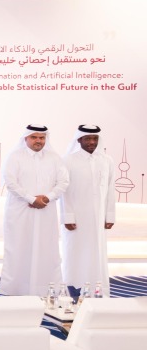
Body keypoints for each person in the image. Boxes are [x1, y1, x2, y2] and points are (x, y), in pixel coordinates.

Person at [0, 125, 69, 297]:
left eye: (42, 138)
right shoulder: (15, 157)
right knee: (18, 248)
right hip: (20, 212)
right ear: (26, 138)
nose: (38, 141)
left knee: (46, 249)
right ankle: (16, 290)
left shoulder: (54, 158)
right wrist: (31, 199)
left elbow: (63, 182)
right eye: (34, 137)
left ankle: (45, 289)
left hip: (46, 210)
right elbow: (10, 182)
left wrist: (46, 198)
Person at [60, 125, 116, 293]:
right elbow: (65, 192)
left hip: (98, 216)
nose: (92, 142)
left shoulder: (107, 160)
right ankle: (73, 288)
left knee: (97, 251)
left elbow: (110, 188)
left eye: (95, 139)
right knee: (75, 250)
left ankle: (98, 288)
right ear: (79, 140)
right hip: (77, 216)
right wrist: (67, 217)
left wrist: (110, 215)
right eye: (88, 139)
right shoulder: (68, 160)